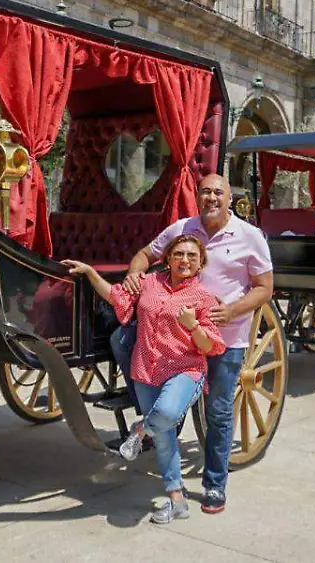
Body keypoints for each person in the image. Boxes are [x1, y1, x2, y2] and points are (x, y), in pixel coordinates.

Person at [113, 173, 273, 515]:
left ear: (230, 198)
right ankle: (156, 423)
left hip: (225, 339)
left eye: (219, 192)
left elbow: (264, 288)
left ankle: (214, 484)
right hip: (174, 342)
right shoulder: (182, 229)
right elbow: (146, 254)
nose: (211, 198)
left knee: (217, 413)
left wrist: (231, 310)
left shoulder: (250, 236)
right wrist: (133, 272)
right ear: (197, 197)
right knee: (122, 340)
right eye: (205, 192)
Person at [62, 234, 225, 524]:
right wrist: (89, 272)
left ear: (201, 264)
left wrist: (193, 324)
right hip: (146, 371)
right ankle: (177, 499)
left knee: (167, 414)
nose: (184, 260)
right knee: (164, 438)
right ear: (167, 259)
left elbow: (210, 346)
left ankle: (138, 432)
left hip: (185, 370)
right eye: (178, 254)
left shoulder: (204, 298)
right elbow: (116, 297)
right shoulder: (149, 283)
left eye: (191, 256)